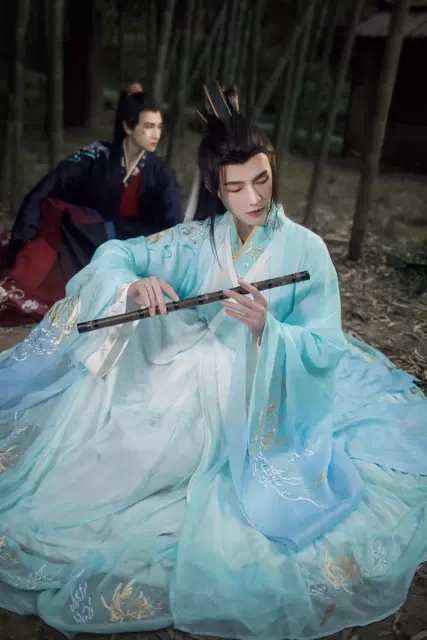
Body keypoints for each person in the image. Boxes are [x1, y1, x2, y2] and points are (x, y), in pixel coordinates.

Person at [0, 82, 426, 640]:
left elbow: (326, 347)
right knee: (117, 398)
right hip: (184, 366)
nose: (253, 197)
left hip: (255, 386)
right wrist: (133, 284)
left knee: (169, 434)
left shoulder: (307, 250)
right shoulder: (198, 240)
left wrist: (270, 330)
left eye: (262, 179)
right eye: (236, 187)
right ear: (216, 190)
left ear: (273, 169)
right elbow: (116, 254)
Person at [0, 83, 183, 325]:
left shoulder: (161, 174)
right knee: (53, 210)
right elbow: (51, 184)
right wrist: (25, 230)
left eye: (159, 127)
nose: (156, 134)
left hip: (131, 250)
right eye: (149, 126)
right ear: (128, 127)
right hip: (85, 239)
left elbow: (173, 225)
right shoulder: (98, 155)